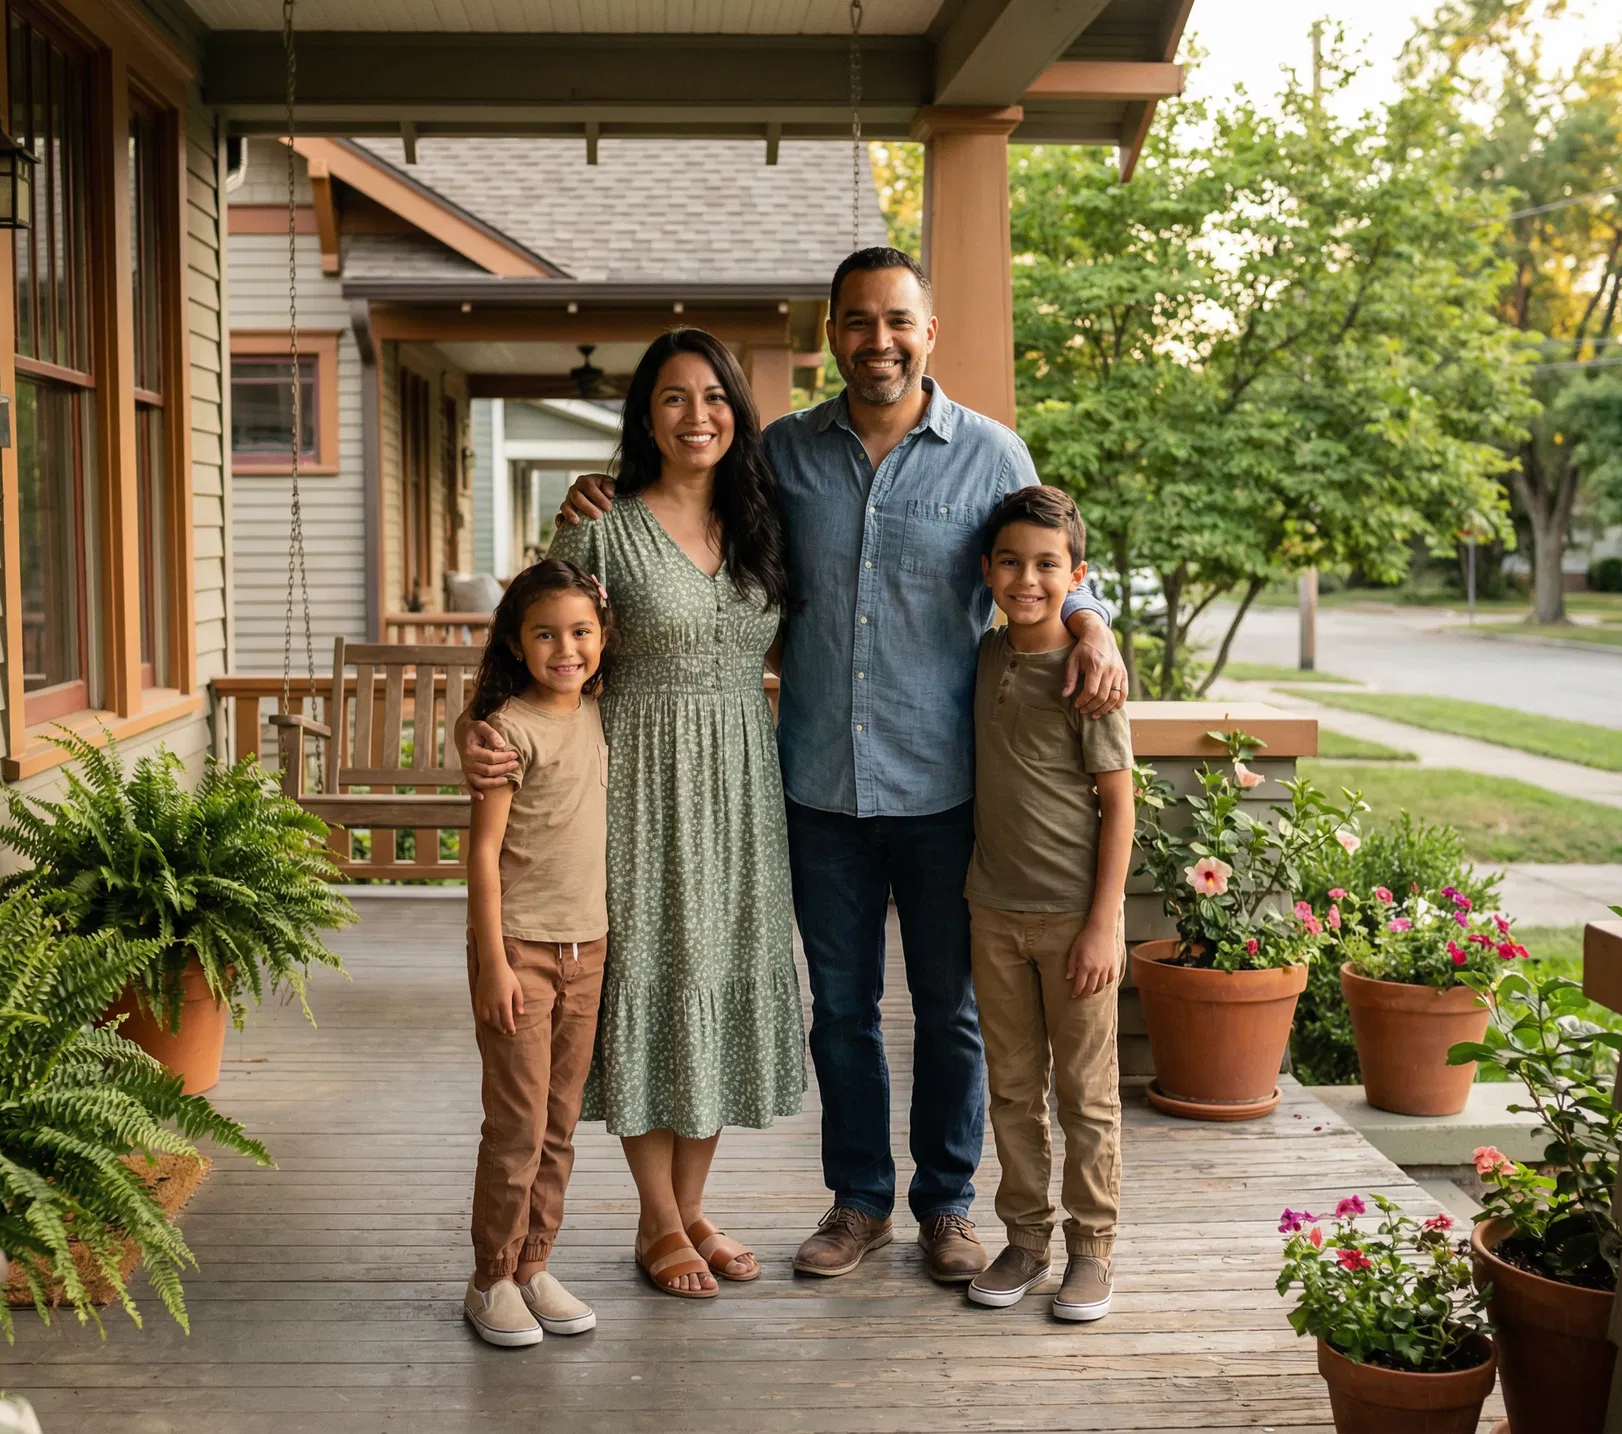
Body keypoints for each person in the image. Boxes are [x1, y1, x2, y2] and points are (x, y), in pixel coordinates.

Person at [553, 248, 1129, 1286]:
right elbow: (691, 512)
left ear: (929, 332)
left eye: (898, 321)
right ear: (833, 336)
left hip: (950, 787)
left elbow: (1047, 560)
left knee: (951, 1011)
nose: (879, 341)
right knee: (843, 1010)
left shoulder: (994, 454)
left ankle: (947, 1206)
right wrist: (604, 490)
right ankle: (859, 1201)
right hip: (813, 786)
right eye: (858, 322)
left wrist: (1092, 622)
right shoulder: (779, 455)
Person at [466, 328, 804, 1301]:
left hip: (741, 787)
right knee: (651, 991)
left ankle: (692, 1205)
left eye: (713, 397)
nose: (696, 415)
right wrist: (474, 733)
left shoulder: (759, 523)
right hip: (638, 786)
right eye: (672, 397)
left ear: (736, 412)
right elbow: (524, 646)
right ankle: (658, 1223)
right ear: (643, 415)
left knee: (718, 982)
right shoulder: (601, 528)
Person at [959, 487, 1132, 1322]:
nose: (1028, 579)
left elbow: (1120, 804)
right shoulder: (987, 655)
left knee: (1086, 1093)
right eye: (1011, 562)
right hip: (992, 910)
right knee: (1013, 1085)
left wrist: (1103, 925)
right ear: (987, 569)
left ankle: (1092, 1250)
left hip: (1074, 920)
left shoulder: (1087, 671)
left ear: (1078, 576)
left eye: (1047, 565)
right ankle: (1025, 1237)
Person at [461, 559, 613, 1349]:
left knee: (559, 1123)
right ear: (517, 645)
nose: (566, 648)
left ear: (602, 638)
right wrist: (492, 962)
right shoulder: (507, 729)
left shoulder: (596, 711)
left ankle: (533, 1264)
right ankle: (490, 1277)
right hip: (519, 948)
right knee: (517, 1123)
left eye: (580, 632)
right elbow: (483, 855)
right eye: (546, 633)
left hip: (589, 947)